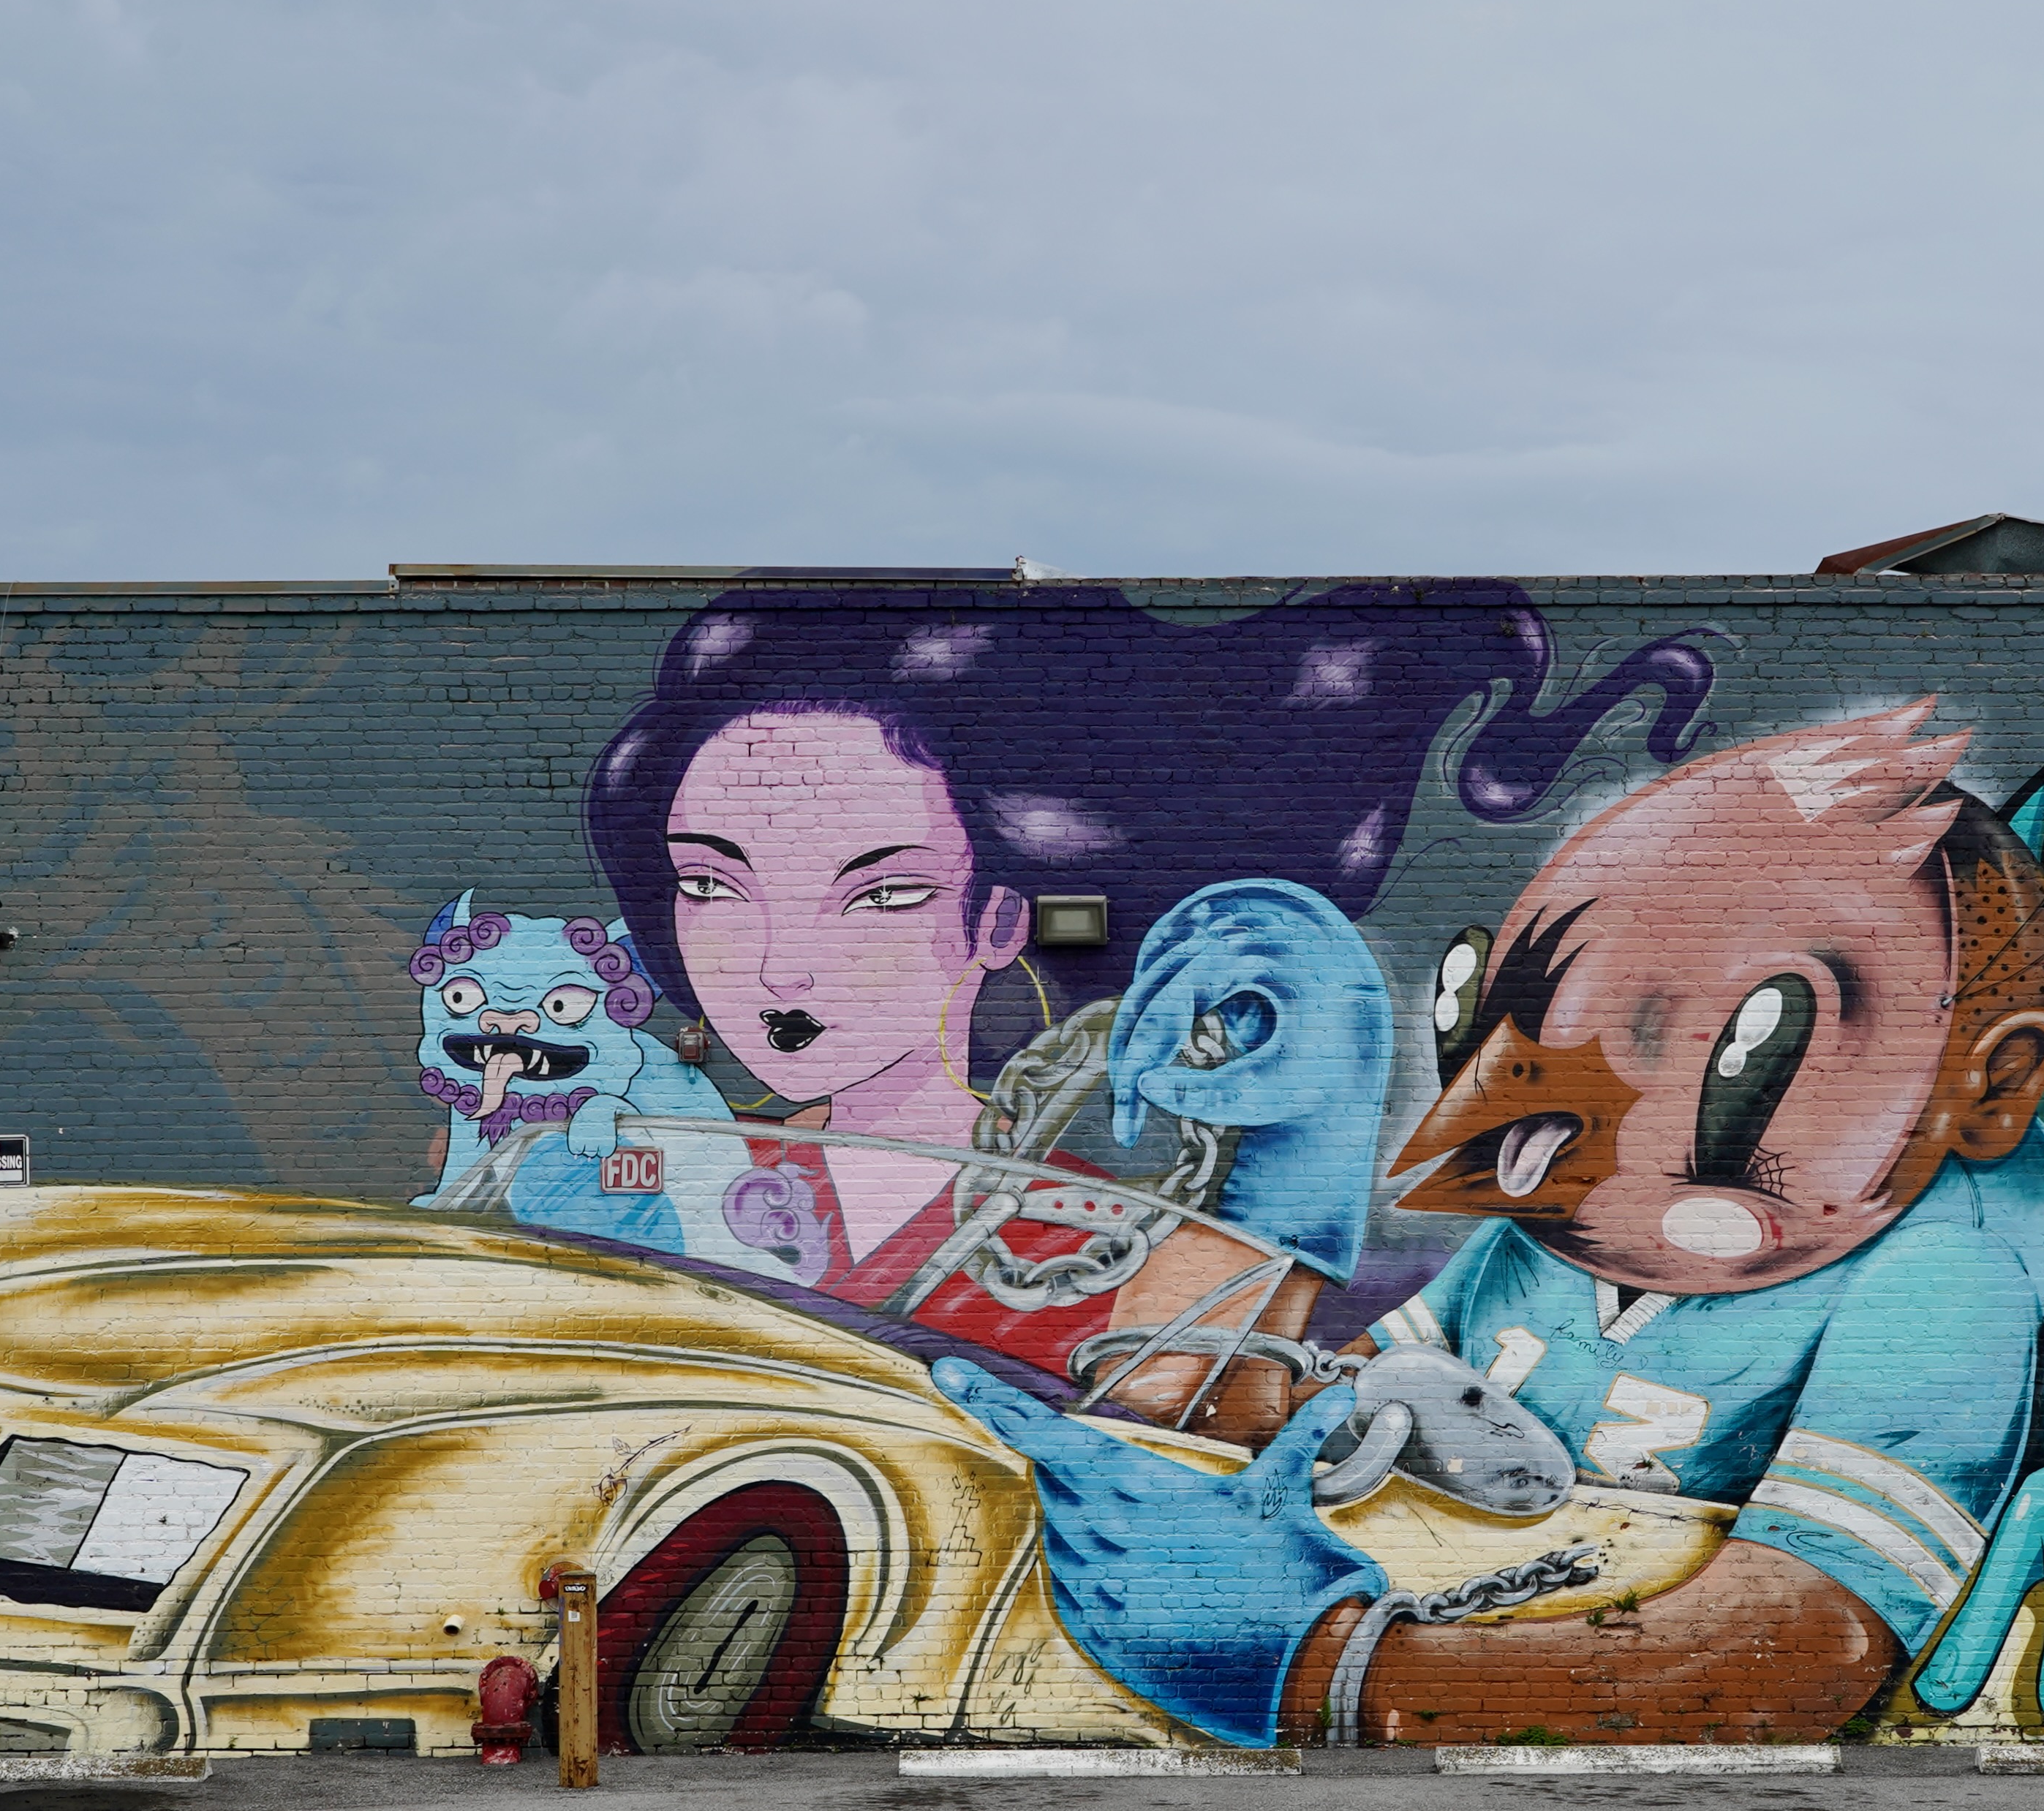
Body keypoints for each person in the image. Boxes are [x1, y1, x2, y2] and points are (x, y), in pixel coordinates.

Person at [936, 706, 2044, 1747]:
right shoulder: (1547, 1232)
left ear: (1993, 1084)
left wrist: (1322, 1671)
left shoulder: (1943, 1284)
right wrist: (1290, 1171)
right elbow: (1267, 1422)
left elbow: (1789, 1654)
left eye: (1746, 1047)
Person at [580, 583, 1713, 1391]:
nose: (778, 964)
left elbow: (1190, 1421)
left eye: (881, 894)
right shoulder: (659, 1181)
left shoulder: (1093, 1241)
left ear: (1000, 920)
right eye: (710, 885)